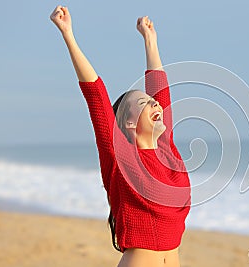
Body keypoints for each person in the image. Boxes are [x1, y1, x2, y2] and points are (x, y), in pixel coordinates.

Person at [50, 5, 191, 267]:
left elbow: (160, 90)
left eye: (153, 102)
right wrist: (68, 34)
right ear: (127, 123)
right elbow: (96, 96)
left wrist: (150, 40)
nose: (156, 105)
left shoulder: (167, 150)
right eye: (144, 104)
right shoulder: (121, 157)